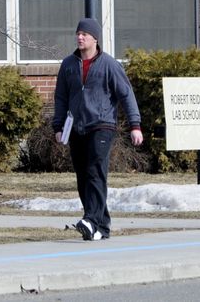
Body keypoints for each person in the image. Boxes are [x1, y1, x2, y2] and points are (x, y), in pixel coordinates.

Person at [51, 17, 143, 241]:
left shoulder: (109, 64)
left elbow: (126, 94)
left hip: (102, 125)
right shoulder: (68, 65)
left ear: (95, 38)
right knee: (83, 176)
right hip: (76, 127)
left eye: (85, 34)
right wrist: (58, 125)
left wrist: (135, 125)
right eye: (78, 33)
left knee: (95, 170)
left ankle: (90, 219)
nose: (80, 37)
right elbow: (61, 97)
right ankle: (101, 226)